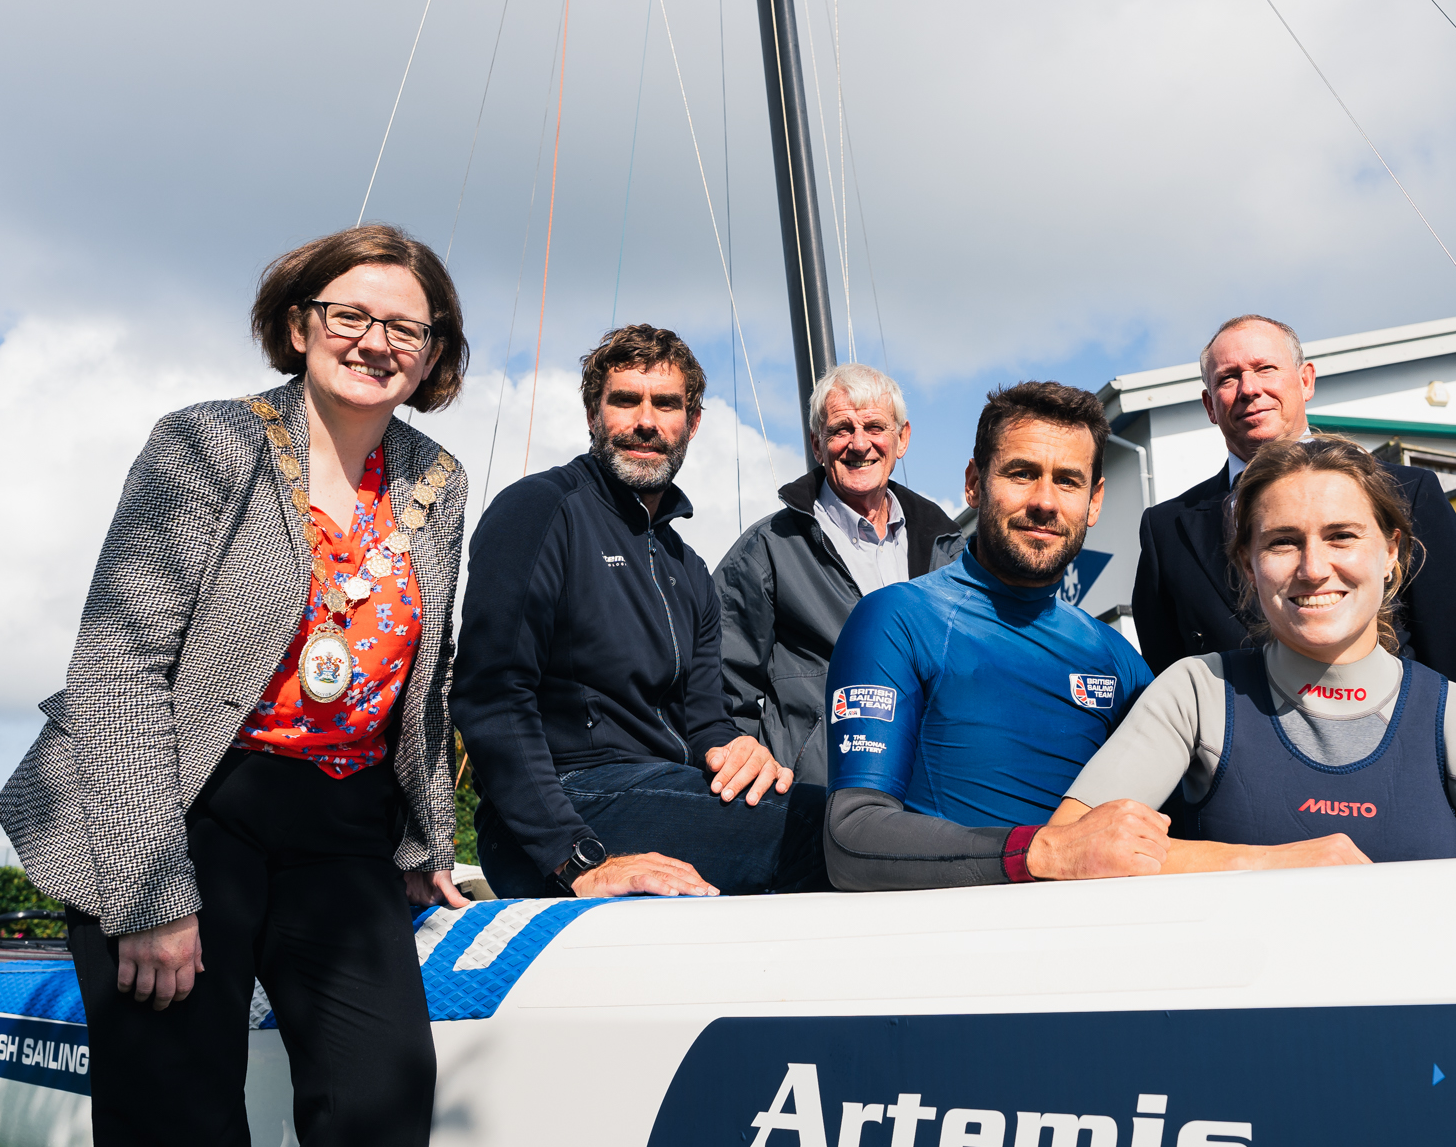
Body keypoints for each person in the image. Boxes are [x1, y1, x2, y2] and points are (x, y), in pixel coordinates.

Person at [0, 223, 472, 1147]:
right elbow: (116, 664)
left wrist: (428, 845)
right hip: (180, 798)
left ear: (434, 351)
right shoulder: (207, 445)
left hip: (341, 829)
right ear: (299, 321)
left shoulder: (435, 480)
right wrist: (151, 890)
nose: (375, 341)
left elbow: (428, 679)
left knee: (380, 1095)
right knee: (181, 1139)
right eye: (350, 314)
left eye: (403, 326)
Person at [451, 324, 826, 900]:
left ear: (692, 423)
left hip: (663, 789)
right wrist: (576, 861)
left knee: (842, 812)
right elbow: (492, 698)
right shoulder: (540, 511)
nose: (646, 421)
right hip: (559, 811)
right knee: (824, 832)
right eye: (625, 400)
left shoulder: (690, 569)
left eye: (666, 404)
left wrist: (737, 750)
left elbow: (705, 722)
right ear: (593, 416)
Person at [1064, 436, 1456, 860]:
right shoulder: (1196, 697)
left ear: (1391, 551)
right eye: (1283, 542)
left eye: (1342, 536)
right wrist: (1270, 865)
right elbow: (1063, 850)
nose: (1313, 568)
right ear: (1249, 565)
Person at [822, 381, 1173, 890]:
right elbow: (851, 837)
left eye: (1069, 481)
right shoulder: (896, 620)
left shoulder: (1117, 659)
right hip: (959, 948)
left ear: (1094, 502)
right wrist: (1047, 851)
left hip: (1098, 946)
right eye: (1022, 473)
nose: (1045, 502)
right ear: (973, 483)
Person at [1130, 314, 1456, 695]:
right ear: (1209, 405)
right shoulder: (1167, 531)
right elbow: (1169, 674)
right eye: (1228, 377)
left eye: (1265, 368)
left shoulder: (1407, 492)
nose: (1249, 388)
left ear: (1306, 381)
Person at [715, 363, 954, 784]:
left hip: (930, 797)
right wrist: (759, 774)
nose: (859, 444)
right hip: (815, 802)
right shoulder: (769, 547)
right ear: (817, 444)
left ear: (903, 438)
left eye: (875, 427)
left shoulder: (948, 549)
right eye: (841, 429)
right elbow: (718, 683)